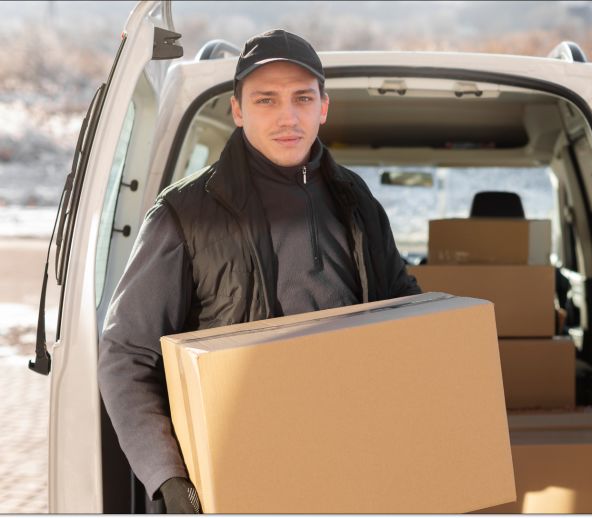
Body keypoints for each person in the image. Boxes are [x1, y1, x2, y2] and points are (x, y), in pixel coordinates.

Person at [98, 29, 421, 513]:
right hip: (232, 477)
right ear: (238, 110)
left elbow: (406, 309)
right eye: (266, 100)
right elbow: (126, 354)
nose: (288, 117)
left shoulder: (357, 202)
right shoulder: (184, 213)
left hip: (347, 465)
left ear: (323, 107)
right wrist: (166, 476)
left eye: (302, 98)